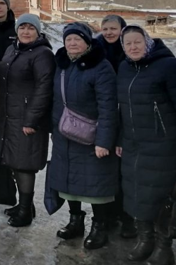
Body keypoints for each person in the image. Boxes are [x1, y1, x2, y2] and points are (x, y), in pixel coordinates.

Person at [116, 25, 176, 265]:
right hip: (133, 146)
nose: (132, 47)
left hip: (165, 146)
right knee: (137, 195)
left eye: (137, 42)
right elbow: (121, 109)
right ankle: (145, 240)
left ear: (148, 42)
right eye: (127, 43)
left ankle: (164, 246)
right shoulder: (124, 68)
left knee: (164, 199)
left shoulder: (169, 67)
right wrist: (119, 139)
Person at [48, 22, 119, 250]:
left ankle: (99, 226)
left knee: (97, 184)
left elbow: (108, 107)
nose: (72, 43)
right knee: (69, 181)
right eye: (68, 39)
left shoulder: (101, 67)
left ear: (87, 41)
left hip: (92, 137)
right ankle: (75, 221)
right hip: (65, 134)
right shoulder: (62, 65)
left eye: (77, 39)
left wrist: (104, 140)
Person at [0, 13, 55, 227]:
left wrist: (32, 120)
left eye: (31, 28)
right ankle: (24, 205)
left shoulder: (43, 54)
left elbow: (44, 89)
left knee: (24, 165)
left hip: (28, 119)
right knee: (14, 161)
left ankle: (25, 212)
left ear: (38, 31)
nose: (26, 31)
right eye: (22, 27)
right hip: (10, 116)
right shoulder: (13, 49)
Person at [97, 14, 135, 239]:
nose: (109, 32)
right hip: (104, 116)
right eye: (105, 28)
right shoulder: (96, 50)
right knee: (107, 171)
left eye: (113, 28)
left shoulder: (130, 52)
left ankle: (128, 217)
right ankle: (109, 215)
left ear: (122, 30)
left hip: (128, 117)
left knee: (127, 173)